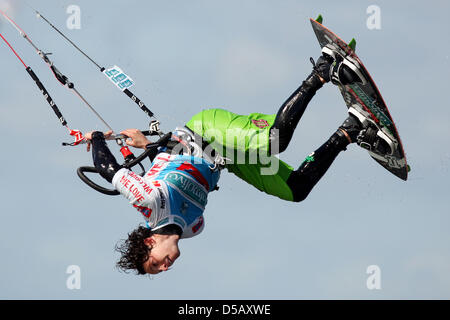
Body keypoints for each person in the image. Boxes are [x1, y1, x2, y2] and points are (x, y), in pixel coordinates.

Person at [84, 52, 368, 275]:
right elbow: (170, 170)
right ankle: (351, 130)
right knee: (295, 189)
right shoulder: (194, 228)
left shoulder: (148, 202)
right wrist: (148, 146)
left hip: (206, 131)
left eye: (156, 264)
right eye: (160, 270)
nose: (165, 266)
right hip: (225, 158)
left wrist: (96, 138)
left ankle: (323, 69)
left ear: (150, 243)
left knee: (274, 140)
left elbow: (109, 170)